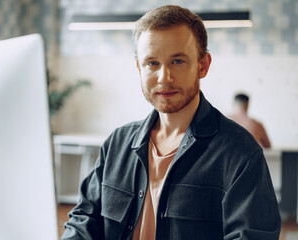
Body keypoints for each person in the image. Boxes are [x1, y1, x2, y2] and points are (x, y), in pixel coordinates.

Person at [61, 5, 281, 240]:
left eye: (177, 61)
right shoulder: (117, 144)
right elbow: (84, 219)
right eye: (152, 63)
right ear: (139, 68)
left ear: (202, 65)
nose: (164, 77)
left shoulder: (240, 153)